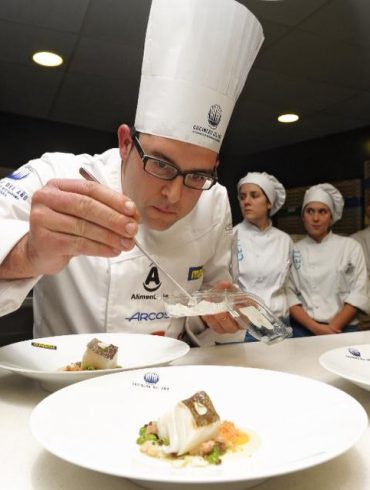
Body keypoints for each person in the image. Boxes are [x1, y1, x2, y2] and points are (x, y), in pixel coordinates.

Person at [0, 0, 264, 341]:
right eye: (160, 165)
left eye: (197, 177)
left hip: (170, 386)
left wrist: (215, 314)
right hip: (67, 386)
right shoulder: (60, 175)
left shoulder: (215, 202)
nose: (174, 195)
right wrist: (30, 254)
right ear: (126, 143)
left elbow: (213, 286)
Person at [288, 183, 370, 336]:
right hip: (304, 330)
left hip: (344, 329)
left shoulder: (351, 247)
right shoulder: (292, 250)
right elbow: (289, 295)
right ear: (303, 216)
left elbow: (359, 293)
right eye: (310, 211)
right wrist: (316, 328)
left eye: (322, 211)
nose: (316, 218)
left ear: (331, 216)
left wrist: (331, 329)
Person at [234, 172, 293, 334]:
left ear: (269, 203)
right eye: (242, 196)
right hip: (245, 326)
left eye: (254, 196)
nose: (246, 201)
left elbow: (290, 286)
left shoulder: (284, 240)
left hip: (279, 323)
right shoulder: (231, 236)